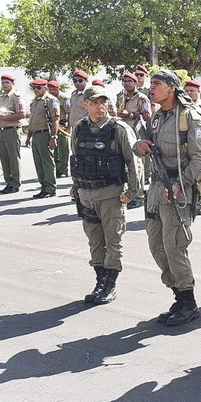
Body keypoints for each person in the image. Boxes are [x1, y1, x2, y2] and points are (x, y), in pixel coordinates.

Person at [134, 70, 201, 326]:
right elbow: (151, 145)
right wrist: (140, 146)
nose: (151, 88)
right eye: (152, 84)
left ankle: (189, 302)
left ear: (171, 88)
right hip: (156, 189)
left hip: (178, 191)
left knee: (175, 247)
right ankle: (178, 294)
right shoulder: (158, 117)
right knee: (157, 246)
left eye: (156, 84)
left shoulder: (189, 118)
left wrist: (181, 183)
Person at [70, 85, 142, 305]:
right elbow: (76, 158)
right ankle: (100, 281)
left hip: (111, 195)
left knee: (113, 241)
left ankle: (110, 285)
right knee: (94, 240)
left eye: (103, 102)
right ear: (86, 105)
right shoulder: (79, 128)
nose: (100, 106)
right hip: (86, 194)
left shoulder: (117, 128)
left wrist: (132, 191)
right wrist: (75, 186)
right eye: (94, 102)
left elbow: (134, 160)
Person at [117, 72, 152, 210]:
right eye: (125, 81)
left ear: (136, 83)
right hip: (123, 133)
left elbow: (147, 116)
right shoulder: (121, 97)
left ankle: (138, 196)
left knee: (137, 166)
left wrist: (130, 114)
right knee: (126, 166)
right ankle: (129, 193)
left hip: (137, 134)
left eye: (130, 81)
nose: (127, 84)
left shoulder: (142, 98)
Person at [25, 78, 60, 198]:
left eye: (38, 87)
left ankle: (50, 188)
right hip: (36, 134)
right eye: (34, 87)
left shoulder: (50, 100)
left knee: (47, 162)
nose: (36, 90)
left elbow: (55, 119)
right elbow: (32, 121)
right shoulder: (35, 101)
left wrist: (53, 137)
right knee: (38, 163)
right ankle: (43, 187)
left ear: (45, 88)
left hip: (45, 133)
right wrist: (29, 137)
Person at [0, 74, 26, 194]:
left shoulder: (16, 97)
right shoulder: (0, 98)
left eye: (7, 82)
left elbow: (22, 114)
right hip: (2, 131)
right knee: (4, 158)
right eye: (3, 83)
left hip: (12, 130)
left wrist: (5, 118)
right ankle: (8, 182)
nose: (5, 85)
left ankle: (15, 183)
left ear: (12, 84)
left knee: (13, 158)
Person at [48, 80, 71, 178]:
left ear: (59, 89)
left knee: (63, 148)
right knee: (55, 148)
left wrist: (69, 127)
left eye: (55, 89)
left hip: (62, 125)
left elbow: (69, 113)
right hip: (52, 125)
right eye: (51, 89)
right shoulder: (49, 98)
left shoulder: (64, 98)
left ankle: (63, 169)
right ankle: (56, 168)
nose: (52, 91)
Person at [68, 71, 90, 173]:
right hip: (75, 128)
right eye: (75, 81)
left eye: (80, 80)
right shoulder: (74, 94)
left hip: (86, 128)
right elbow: (71, 111)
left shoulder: (89, 94)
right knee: (76, 152)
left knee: (87, 151)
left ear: (86, 81)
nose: (77, 83)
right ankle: (79, 172)